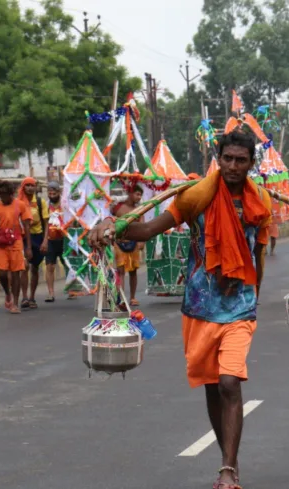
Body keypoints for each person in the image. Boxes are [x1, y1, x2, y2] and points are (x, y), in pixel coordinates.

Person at [90, 130, 271, 489]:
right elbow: (149, 230)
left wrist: (254, 291)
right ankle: (228, 459)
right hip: (199, 308)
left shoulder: (259, 202)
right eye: (228, 158)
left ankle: (228, 470)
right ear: (218, 159)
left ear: (252, 163)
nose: (234, 166)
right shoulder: (196, 197)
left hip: (239, 308)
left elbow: (258, 253)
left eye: (242, 160)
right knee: (211, 387)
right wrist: (113, 226)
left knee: (230, 383)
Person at [0, 182, 32, 314]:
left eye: (4, 195)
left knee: (16, 272)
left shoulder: (20, 205)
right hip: (1, 244)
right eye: (0, 195)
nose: (2, 197)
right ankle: (8, 293)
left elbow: (27, 226)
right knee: (1, 273)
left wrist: (28, 247)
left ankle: (15, 303)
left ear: (11, 194)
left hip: (16, 242)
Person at [18, 177, 50, 310]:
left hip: (38, 236)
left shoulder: (40, 202)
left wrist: (45, 241)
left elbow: (46, 223)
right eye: (27, 185)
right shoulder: (18, 203)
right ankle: (24, 296)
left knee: (35, 268)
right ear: (23, 187)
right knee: (24, 266)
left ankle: (32, 297)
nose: (30, 188)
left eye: (32, 185)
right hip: (24, 237)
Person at [113, 184, 145, 307]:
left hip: (134, 243)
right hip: (120, 242)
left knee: (133, 271)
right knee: (120, 271)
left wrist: (141, 241)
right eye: (137, 194)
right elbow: (110, 219)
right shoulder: (118, 208)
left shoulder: (140, 209)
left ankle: (132, 297)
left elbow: (142, 225)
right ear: (130, 193)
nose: (139, 197)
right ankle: (120, 298)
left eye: (140, 195)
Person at [43, 181, 65, 302]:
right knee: (49, 266)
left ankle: (72, 288)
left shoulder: (65, 204)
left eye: (54, 192)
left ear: (59, 192)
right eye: (49, 192)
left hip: (64, 239)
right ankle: (51, 293)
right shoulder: (46, 206)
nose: (51, 194)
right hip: (50, 240)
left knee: (67, 264)